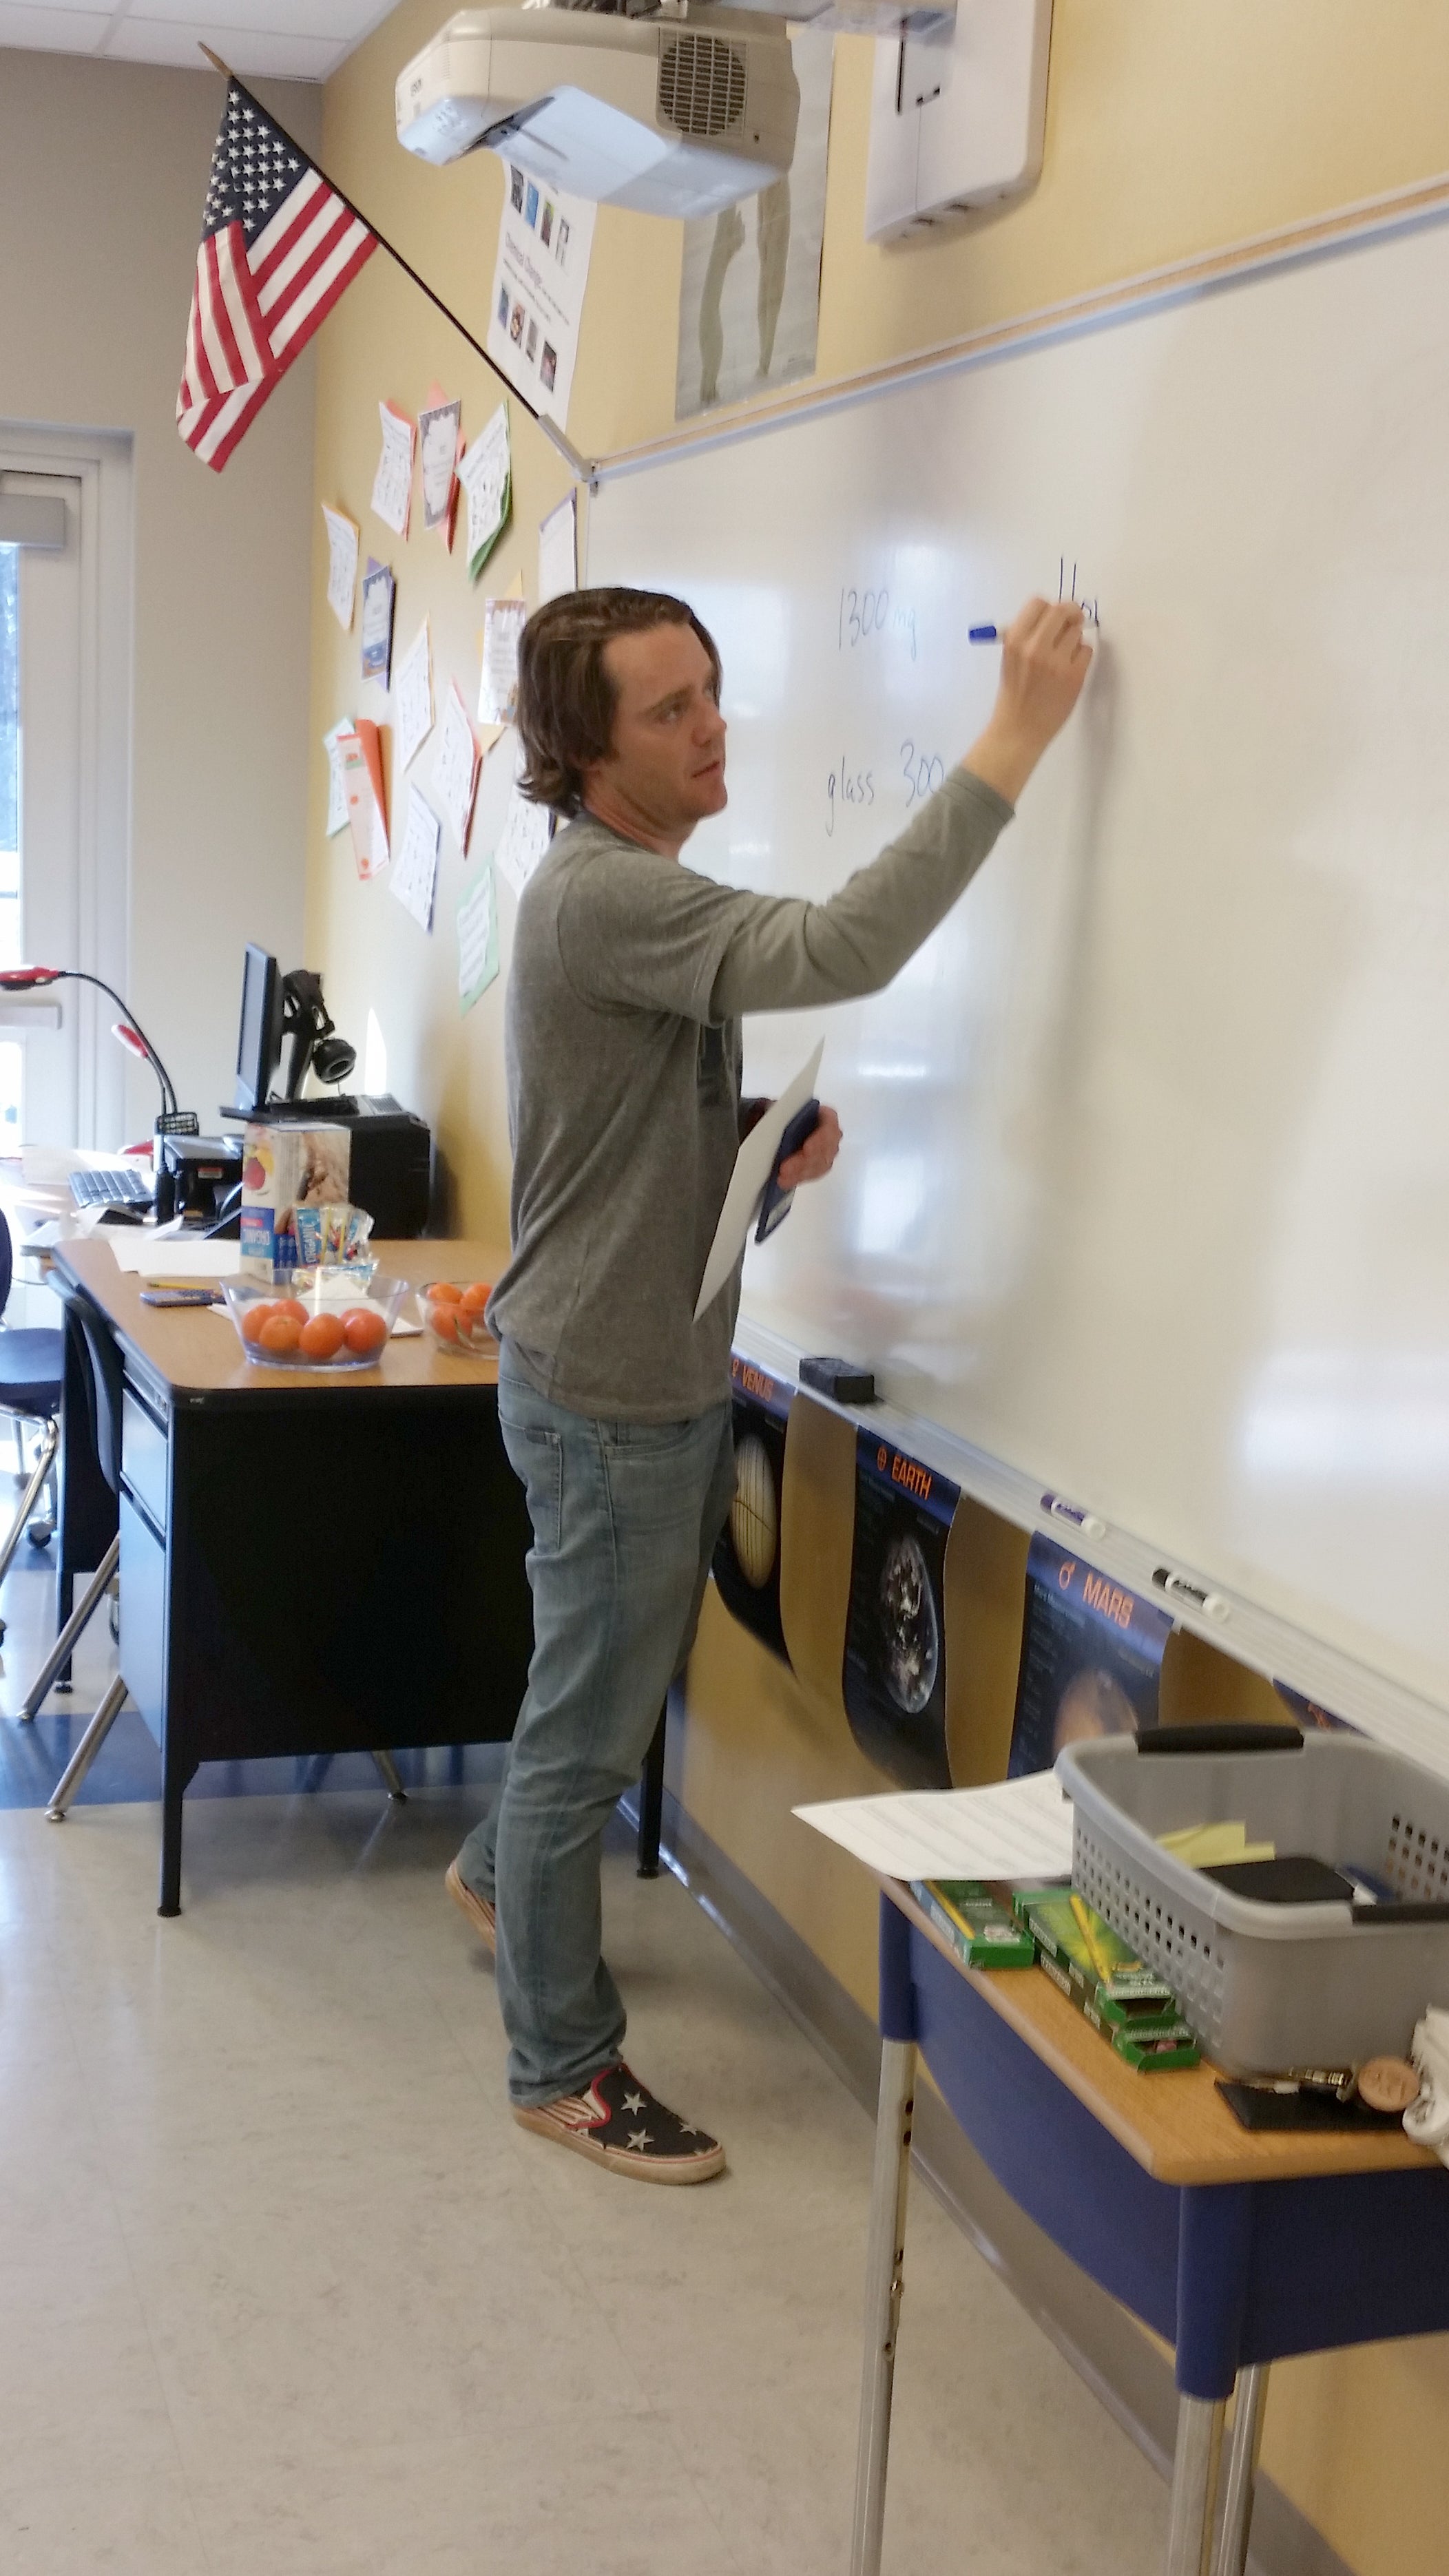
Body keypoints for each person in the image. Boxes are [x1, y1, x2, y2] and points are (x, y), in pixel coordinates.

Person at [448, 587, 1092, 2181]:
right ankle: (559, 2061)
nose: (711, 725)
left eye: (711, 691)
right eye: (668, 711)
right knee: (585, 1727)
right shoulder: (606, 898)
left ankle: (492, 1875)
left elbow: (624, 1161)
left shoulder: (623, 889)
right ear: (588, 753)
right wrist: (1013, 733)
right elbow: (841, 946)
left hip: (612, 1361)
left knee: (587, 1694)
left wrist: (753, 1162)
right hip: (609, 1392)